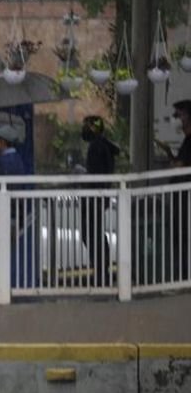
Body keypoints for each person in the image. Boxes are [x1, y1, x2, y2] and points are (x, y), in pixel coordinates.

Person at [79, 116, 119, 285]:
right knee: (94, 233)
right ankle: (102, 271)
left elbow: (96, 173)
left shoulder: (97, 147)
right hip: (99, 196)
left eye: (87, 126)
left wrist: (84, 177)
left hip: (94, 196)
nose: (84, 129)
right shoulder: (103, 146)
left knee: (91, 234)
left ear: (94, 128)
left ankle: (102, 272)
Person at [157, 100, 191, 281]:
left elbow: (181, 166)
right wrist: (169, 153)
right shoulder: (186, 141)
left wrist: (173, 161)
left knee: (182, 236)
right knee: (178, 236)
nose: (176, 119)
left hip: (185, 196)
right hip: (181, 196)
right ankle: (181, 274)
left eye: (179, 115)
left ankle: (183, 276)